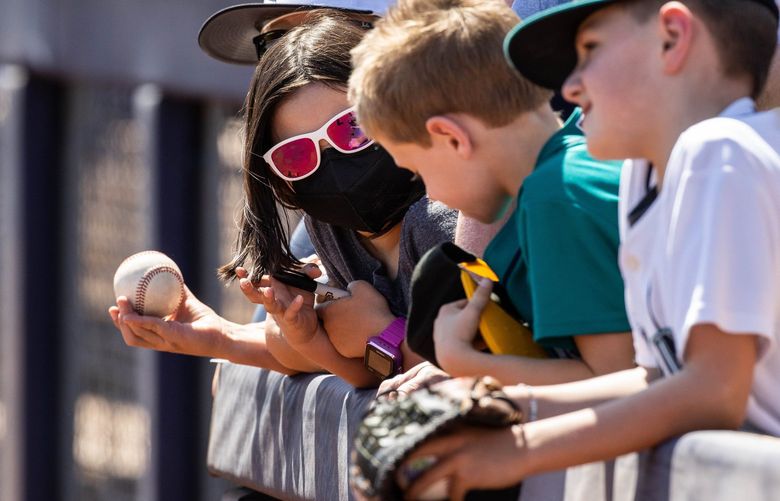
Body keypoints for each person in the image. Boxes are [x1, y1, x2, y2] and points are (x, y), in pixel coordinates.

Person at [389, 1, 779, 498]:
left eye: (590, 50)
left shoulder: (719, 150)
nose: (570, 88)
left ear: (673, 38)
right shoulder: (648, 175)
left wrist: (520, 447)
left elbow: (714, 393)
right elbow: (653, 379)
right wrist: (494, 404)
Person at [109, 9, 457, 388]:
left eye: (352, 128)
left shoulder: (444, 222)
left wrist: (383, 336)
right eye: (296, 155)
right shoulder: (330, 229)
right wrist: (290, 336)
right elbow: (362, 371)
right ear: (278, 180)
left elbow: (490, 368)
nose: (334, 164)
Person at [348, 0, 635, 386]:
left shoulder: (557, 198)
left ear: (451, 137)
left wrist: (470, 368)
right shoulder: (557, 182)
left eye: (419, 171)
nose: (431, 195)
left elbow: (616, 383)